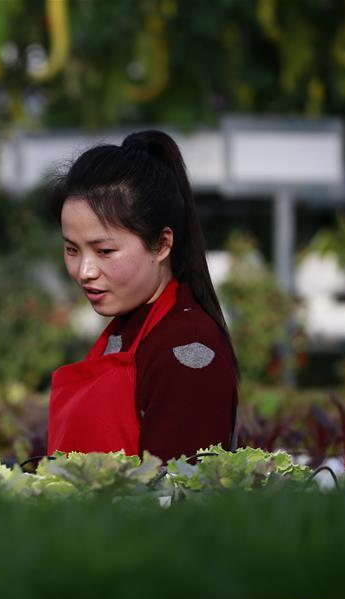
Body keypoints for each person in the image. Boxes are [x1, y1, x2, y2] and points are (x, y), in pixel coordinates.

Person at [46, 130, 238, 462]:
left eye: (104, 250)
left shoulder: (188, 348)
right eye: (71, 249)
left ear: (162, 244)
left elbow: (179, 499)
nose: (84, 271)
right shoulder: (127, 327)